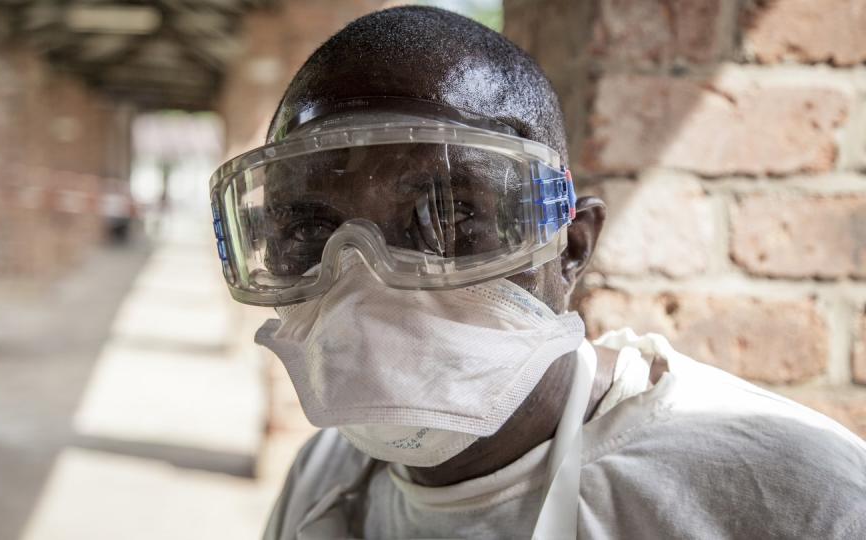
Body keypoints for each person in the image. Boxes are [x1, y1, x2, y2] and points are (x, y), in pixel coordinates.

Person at [208, 7, 866, 539]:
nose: (366, 285)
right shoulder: (325, 480)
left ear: (571, 249)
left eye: (449, 215)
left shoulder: (786, 497)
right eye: (308, 230)